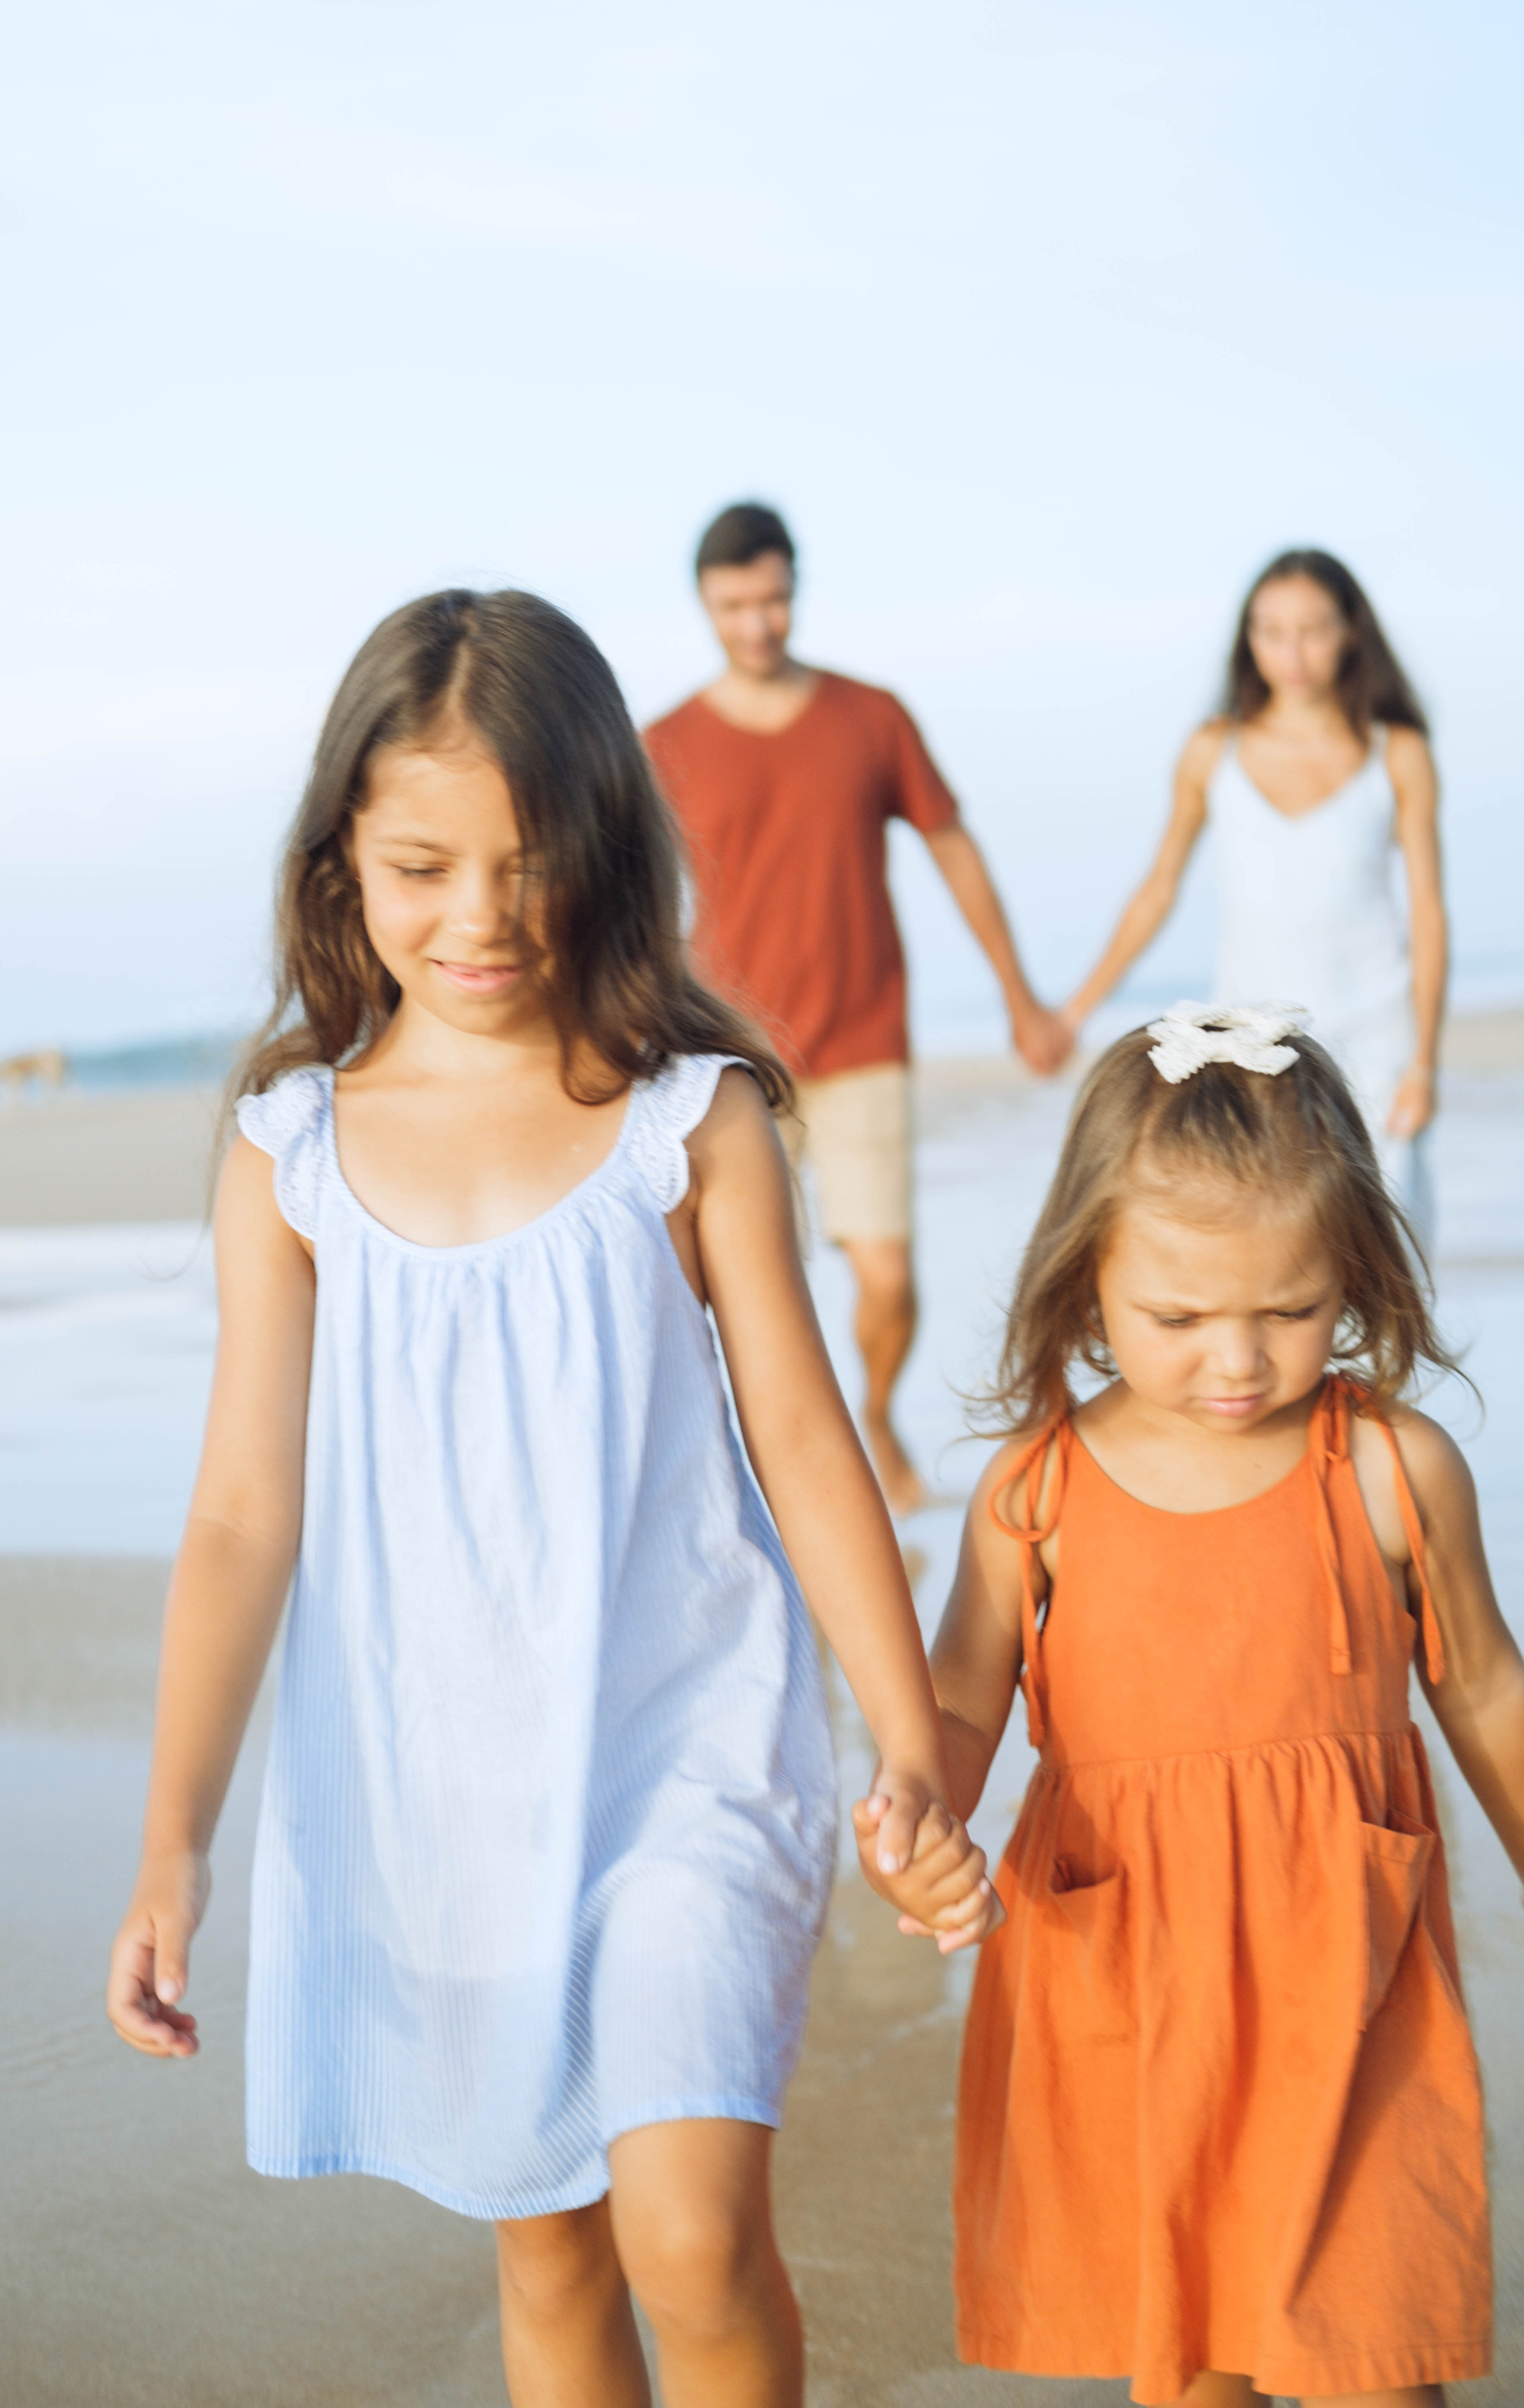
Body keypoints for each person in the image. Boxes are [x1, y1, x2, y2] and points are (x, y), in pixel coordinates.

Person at [105, 589, 984, 2408]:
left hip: (692, 1750)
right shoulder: (293, 1161)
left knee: (687, 2233)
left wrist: (909, 1746)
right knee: (551, 2244)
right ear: (342, 855)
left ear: (611, 851)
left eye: (530, 864)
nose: (482, 919)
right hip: (439, 1784)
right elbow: (241, 1519)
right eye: (424, 866)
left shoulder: (690, 1123)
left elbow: (810, 1449)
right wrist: (173, 1845)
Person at [857, 1002, 1524, 2405]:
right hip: (1132, 1983)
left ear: (1349, 1274)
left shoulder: (1390, 1470)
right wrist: (916, 1817)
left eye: (1289, 1312)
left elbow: (1483, 1692)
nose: (1236, 1362)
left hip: (1352, 1985)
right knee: (1193, 2359)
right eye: (1176, 1318)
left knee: (1377, 2354)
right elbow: (960, 1701)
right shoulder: (1031, 1494)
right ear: (1083, 1277)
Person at [645, 502, 1071, 1519]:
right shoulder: (661, 743)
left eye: (774, 599)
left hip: (863, 1039)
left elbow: (953, 849)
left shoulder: (870, 717)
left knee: (888, 1281)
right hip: (727, 1062)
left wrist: (1019, 994)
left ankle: (873, 1411)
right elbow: (636, 905)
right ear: (706, 605)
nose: (758, 624)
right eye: (735, 606)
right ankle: (747, 1475)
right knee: (715, 1293)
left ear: (797, 590)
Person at [1061, 549, 1446, 1245]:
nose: (1291, 652)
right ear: (1248, 640)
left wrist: (1423, 1062)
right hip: (1254, 1042)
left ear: (1350, 632)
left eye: (1312, 629)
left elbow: (1427, 909)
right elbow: (1158, 888)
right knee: (1271, 1247)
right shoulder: (1213, 751)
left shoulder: (1398, 752)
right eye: (1269, 631)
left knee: (1392, 1254)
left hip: (1378, 1038)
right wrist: (1077, 1009)